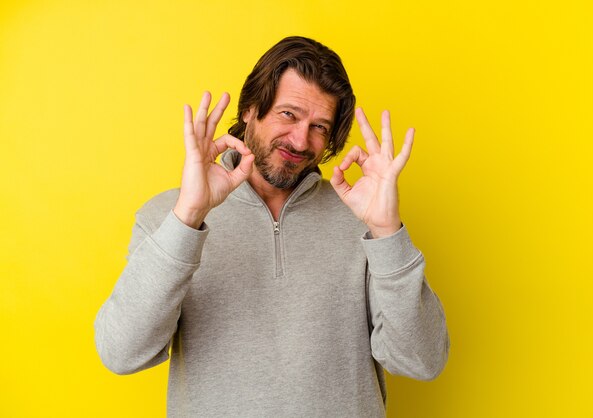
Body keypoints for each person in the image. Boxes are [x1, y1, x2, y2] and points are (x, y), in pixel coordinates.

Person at [95, 36, 449, 417]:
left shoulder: (361, 218)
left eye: (319, 126)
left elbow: (422, 361)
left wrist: (387, 232)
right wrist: (188, 217)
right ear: (250, 109)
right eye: (289, 114)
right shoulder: (168, 217)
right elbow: (122, 353)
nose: (300, 140)